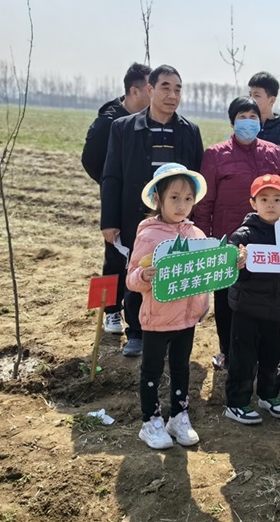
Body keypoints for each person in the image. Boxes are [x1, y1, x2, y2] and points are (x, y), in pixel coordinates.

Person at [101, 65, 204, 357]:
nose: (172, 95)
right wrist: (109, 221)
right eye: (165, 87)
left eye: (178, 89)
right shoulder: (124, 128)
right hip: (135, 215)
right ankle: (136, 332)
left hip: (176, 218)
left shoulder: (189, 131)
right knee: (138, 270)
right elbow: (112, 176)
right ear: (150, 89)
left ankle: (173, 332)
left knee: (173, 271)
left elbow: (197, 177)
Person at [193, 97, 280, 371]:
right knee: (227, 299)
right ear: (232, 122)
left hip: (267, 242)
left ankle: (266, 355)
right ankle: (229, 353)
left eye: (253, 116)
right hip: (228, 240)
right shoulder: (215, 155)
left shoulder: (274, 152)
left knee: (264, 296)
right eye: (242, 117)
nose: (248, 122)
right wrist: (205, 239)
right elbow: (204, 204)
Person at [126, 164, 210, 450]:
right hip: (158, 318)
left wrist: (231, 263)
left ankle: (178, 415)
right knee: (151, 370)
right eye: (174, 197)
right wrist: (143, 276)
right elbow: (131, 277)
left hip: (187, 317)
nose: (181, 205)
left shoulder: (197, 234)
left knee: (181, 367)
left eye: (188, 198)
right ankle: (150, 421)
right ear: (157, 199)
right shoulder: (149, 235)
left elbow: (205, 272)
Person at [224, 174, 280, 424]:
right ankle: (236, 403)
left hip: (275, 311)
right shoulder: (243, 235)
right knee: (243, 358)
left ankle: (268, 395)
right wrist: (239, 262)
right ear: (253, 203)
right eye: (264, 199)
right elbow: (231, 271)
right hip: (246, 309)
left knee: (272, 356)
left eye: (277, 199)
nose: (271, 204)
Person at [81, 63, 152, 335]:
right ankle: (110, 311)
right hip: (118, 199)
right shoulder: (108, 122)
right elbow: (90, 160)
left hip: (145, 200)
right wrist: (111, 183)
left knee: (141, 254)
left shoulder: (150, 119)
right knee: (114, 256)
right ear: (134, 91)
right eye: (150, 89)